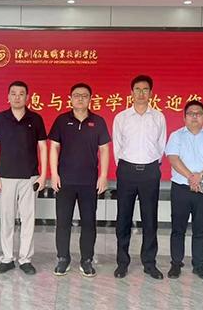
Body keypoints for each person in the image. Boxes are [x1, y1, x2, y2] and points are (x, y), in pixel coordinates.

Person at [49, 83, 111, 277]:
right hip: (65, 181)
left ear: (90, 99)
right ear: (70, 98)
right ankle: (63, 259)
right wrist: (54, 173)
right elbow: (54, 147)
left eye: (84, 96)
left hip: (89, 182)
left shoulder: (98, 122)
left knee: (89, 222)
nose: (80, 99)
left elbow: (104, 149)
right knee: (63, 222)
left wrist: (103, 175)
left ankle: (86, 260)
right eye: (76, 95)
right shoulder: (61, 120)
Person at [0, 81, 48, 275]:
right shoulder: (0, 118)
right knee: (7, 218)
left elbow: (43, 147)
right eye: (13, 93)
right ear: (8, 97)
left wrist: (43, 175)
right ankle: (7, 258)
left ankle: (25, 259)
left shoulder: (35, 119)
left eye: (21, 93)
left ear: (27, 97)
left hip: (30, 176)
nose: (17, 97)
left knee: (28, 219)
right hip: (5, 176)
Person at [112, 75, 167, 279]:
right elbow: (117, 146)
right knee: (123, 218)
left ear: (151, 93)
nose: (141, 93)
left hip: (150, 171)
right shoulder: (122, 117)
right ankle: (122, 263)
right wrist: (125, 166)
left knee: (150, 219)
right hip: (126, 171)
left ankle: (149, 263)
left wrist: (151, 164)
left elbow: (161, 145)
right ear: (131, 92)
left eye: (145, 89)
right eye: (137, 89)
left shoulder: (158, 117)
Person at [165, 100, 203, 280]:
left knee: (200, 229)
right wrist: (192, 177)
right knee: (178, 228)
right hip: (181, 189)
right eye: (190, 113)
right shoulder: (176, 136)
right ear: (184, 117)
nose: (194, 117)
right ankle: (176, 264)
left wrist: (201, 176)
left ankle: (199, 266)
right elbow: (173, 158)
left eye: (198, 114)